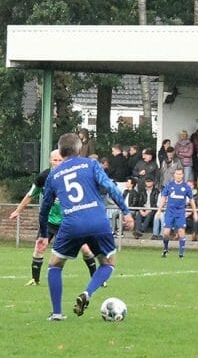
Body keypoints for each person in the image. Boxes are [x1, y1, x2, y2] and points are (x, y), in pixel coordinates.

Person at [38, 133, 134, 321]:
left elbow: (45, 207)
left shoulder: (54, 175)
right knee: (108, 263)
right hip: (98, 220)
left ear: (60, 151)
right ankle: (88, 292)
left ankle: (57, 313)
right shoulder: (91, 164)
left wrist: (43, 234)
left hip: (72, 223)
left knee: (54, 265)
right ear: (79, 149)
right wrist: (126, 211)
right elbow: (111, 187)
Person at [8, 150, 98, 284]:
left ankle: (97, 278)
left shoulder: (72, 175)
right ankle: (35, 279)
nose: (57, 163)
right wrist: (17, 211)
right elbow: (30, 195)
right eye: (54, 160)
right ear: (50, 160)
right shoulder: (43, 177)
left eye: (59, 160)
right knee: (39, 247)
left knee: (84, 248)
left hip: (69, 221)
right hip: (50, 221)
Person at [157, 168, 197, 258]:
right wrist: (159, 210)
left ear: (183, 175)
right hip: (169, 212)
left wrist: (195, 212)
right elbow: (163, 197)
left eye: (180, 174)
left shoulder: (186, 187)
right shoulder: (169, 185)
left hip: (180, 212)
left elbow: (191, 200)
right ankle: (165, 248)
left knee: (181, 231)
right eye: (177, 174)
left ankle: (181, 253)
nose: (178, 176)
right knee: (166, 232)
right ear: (174, 175)